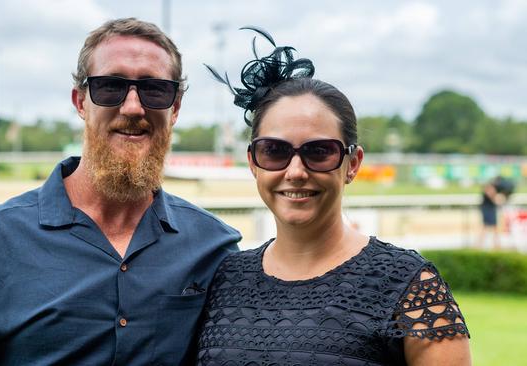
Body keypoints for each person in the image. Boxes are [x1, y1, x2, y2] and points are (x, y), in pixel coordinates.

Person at [0, 18, 240, 366]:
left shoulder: (214, 248)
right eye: (110, 86)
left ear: (174, 108)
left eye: (155, 89)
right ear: (81, 101)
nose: (132, 107)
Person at [197, 27, 471, 365]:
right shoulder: (224, 280)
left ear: (352, 164)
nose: (295, 171)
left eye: (319, 151)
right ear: (254, 162)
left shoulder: (409, 286)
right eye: (274, 151)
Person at [477, 176, 511, 249]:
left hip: (489, 209)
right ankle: (484, 245)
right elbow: (492, 197)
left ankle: (495, 245)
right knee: (487, 228)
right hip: (488, 209)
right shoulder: (490, 188)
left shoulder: (491, 187)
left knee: (491, 228)